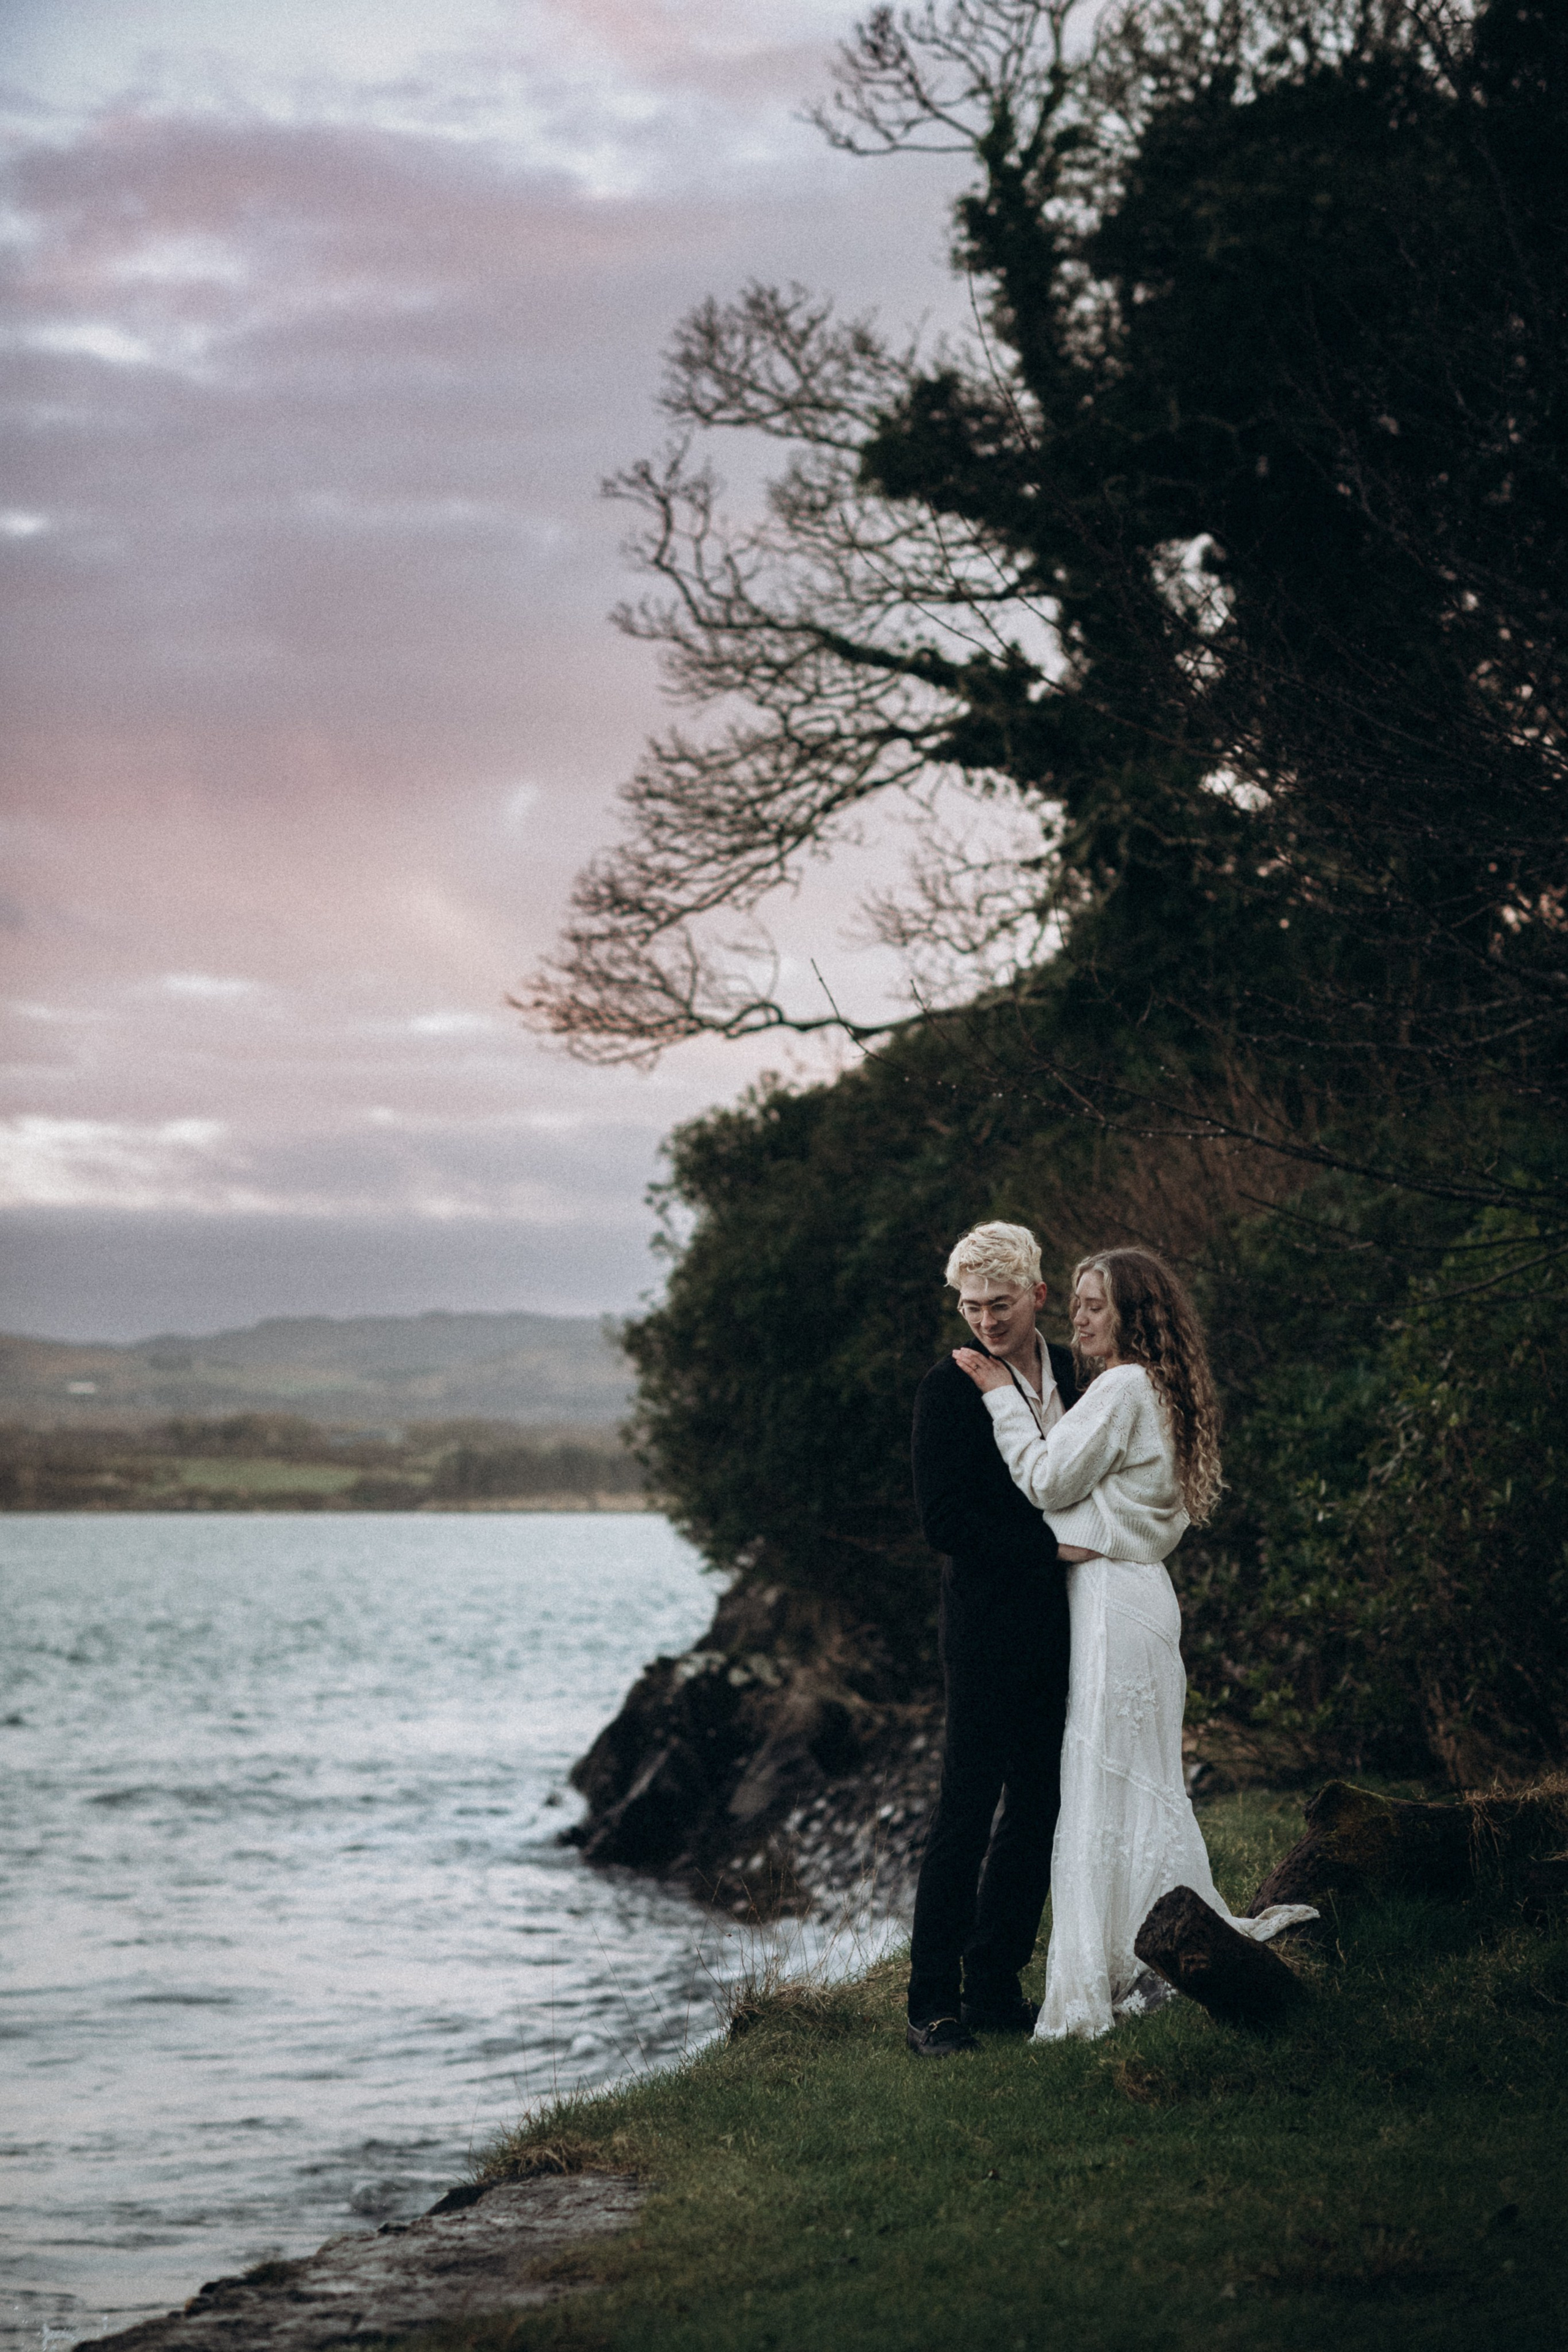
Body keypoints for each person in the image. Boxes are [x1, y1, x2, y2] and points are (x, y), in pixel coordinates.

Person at [954, 1245, 1316, 2039]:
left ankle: (1119, 1965)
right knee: (1137, 1782)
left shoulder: (1121, 1386)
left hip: (1115, 1603)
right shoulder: (1152, 1388)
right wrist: (1081, 1531)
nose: (1076, 1317)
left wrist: (996, 1398)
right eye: (1076, 1302)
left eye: (1093, 1304)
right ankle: (1153, 1945)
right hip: (1139, 1597)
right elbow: (1111, 1494)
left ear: (1133, 1314)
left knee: (1105, 1781)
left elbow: (1048, 1481)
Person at [904, 1221, 1079, 2057]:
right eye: (970, 1305)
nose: (984, 1319)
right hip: (981, 1629)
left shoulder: (1078, 1373)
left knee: (1040, 1805)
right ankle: (931, 2007)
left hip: (1064, 1622)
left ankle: (996, 1981)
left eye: (1000, 1304)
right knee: (966, 1811)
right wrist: (1047, 1547)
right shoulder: (948, 1387)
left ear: (1037, 1296)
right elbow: (944, 1522)